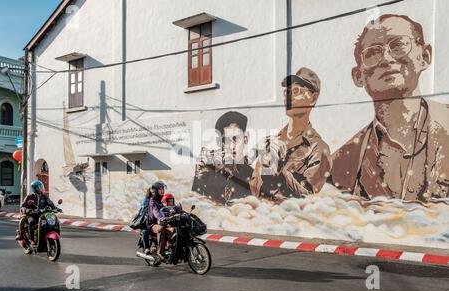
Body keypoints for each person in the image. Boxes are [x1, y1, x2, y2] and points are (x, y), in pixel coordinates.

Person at [330, 14, 449, 202]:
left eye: (398, 45)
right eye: (372, 53)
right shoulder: (342, 163)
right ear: (358, 76)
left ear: (424, 57)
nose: (386, 59)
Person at [249, 67, 332, 203]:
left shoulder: (319, 149)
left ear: (313, 97)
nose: (288, 96)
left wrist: (281, 170)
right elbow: (254, 191)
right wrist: (265, 165)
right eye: (286, 92)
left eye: (296, 91)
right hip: (264, 218)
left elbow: (308, 197)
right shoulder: (271, 142)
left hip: (291, 221)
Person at [192, 111, 253, 205]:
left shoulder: (253, 176)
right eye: (226, 140)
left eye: (235, 139)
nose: (231, 146)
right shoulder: (210, 173)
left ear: (246, 138)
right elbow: (195, 206)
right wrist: (199, 178)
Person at [146, 181, 168, 261]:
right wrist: (161, 218)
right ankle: (160, 252)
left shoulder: (161, 200)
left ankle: (169, 246)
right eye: (160, 189)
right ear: (155, 191)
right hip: (152, 224)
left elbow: (167, 208)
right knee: (160, 229)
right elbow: (156, 213)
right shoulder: (152, 200)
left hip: (161, 222)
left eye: (163, 189)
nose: (162, 190)